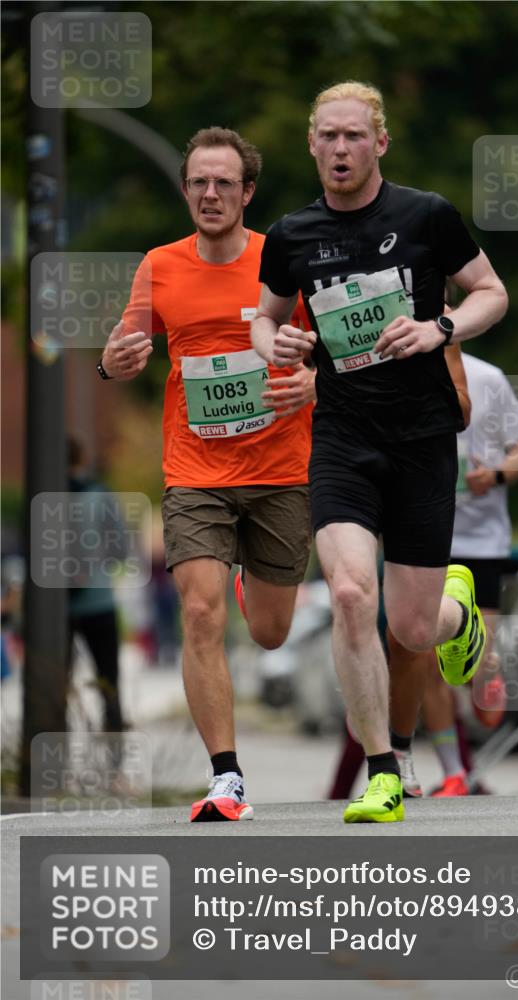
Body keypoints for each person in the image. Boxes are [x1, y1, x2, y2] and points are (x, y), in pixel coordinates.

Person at [252, 81, 508, 823]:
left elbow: (491, 291)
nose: (340, 149)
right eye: (327, 136)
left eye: (354, 136)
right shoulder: (290, 236)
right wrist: (283, 345)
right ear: (311, 144)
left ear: (379, 143)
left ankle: (458, 610)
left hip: (423, 439)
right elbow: (263, 326)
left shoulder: (425, 215)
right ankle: (383, 771)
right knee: (350, 594)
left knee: (412, 628)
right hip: (342, 437)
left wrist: (442, 329)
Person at [99, 127, 316, 822]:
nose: (210, 193)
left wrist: (309, 381)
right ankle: (227, 777)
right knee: (197, 611)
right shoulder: (159, 265)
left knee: (272, 633)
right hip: (195, 468)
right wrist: (113, 362)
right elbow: (124, 345)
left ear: (247, 192)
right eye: (198, 182)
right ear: (186, 189)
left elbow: (333, 353)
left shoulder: (281, 260)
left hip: (283, 467)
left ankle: (262, 588)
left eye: (224, 182)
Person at [391, 352, 518, 797]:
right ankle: (454, 772)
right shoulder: (392, 367)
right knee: (430, 664)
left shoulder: (487, 377)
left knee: (473, 660)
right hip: (427, 538)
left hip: (480, 543)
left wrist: (494, 475)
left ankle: (486, 669)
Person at [66, 436, 125, 733]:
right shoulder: (99, 495)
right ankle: (114, 766)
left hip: (54, 608)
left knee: (54, 686)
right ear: (82, 459)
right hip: (98, 600)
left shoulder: (41, 494)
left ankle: (50, 764)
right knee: (109, 682)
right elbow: (121, 549)